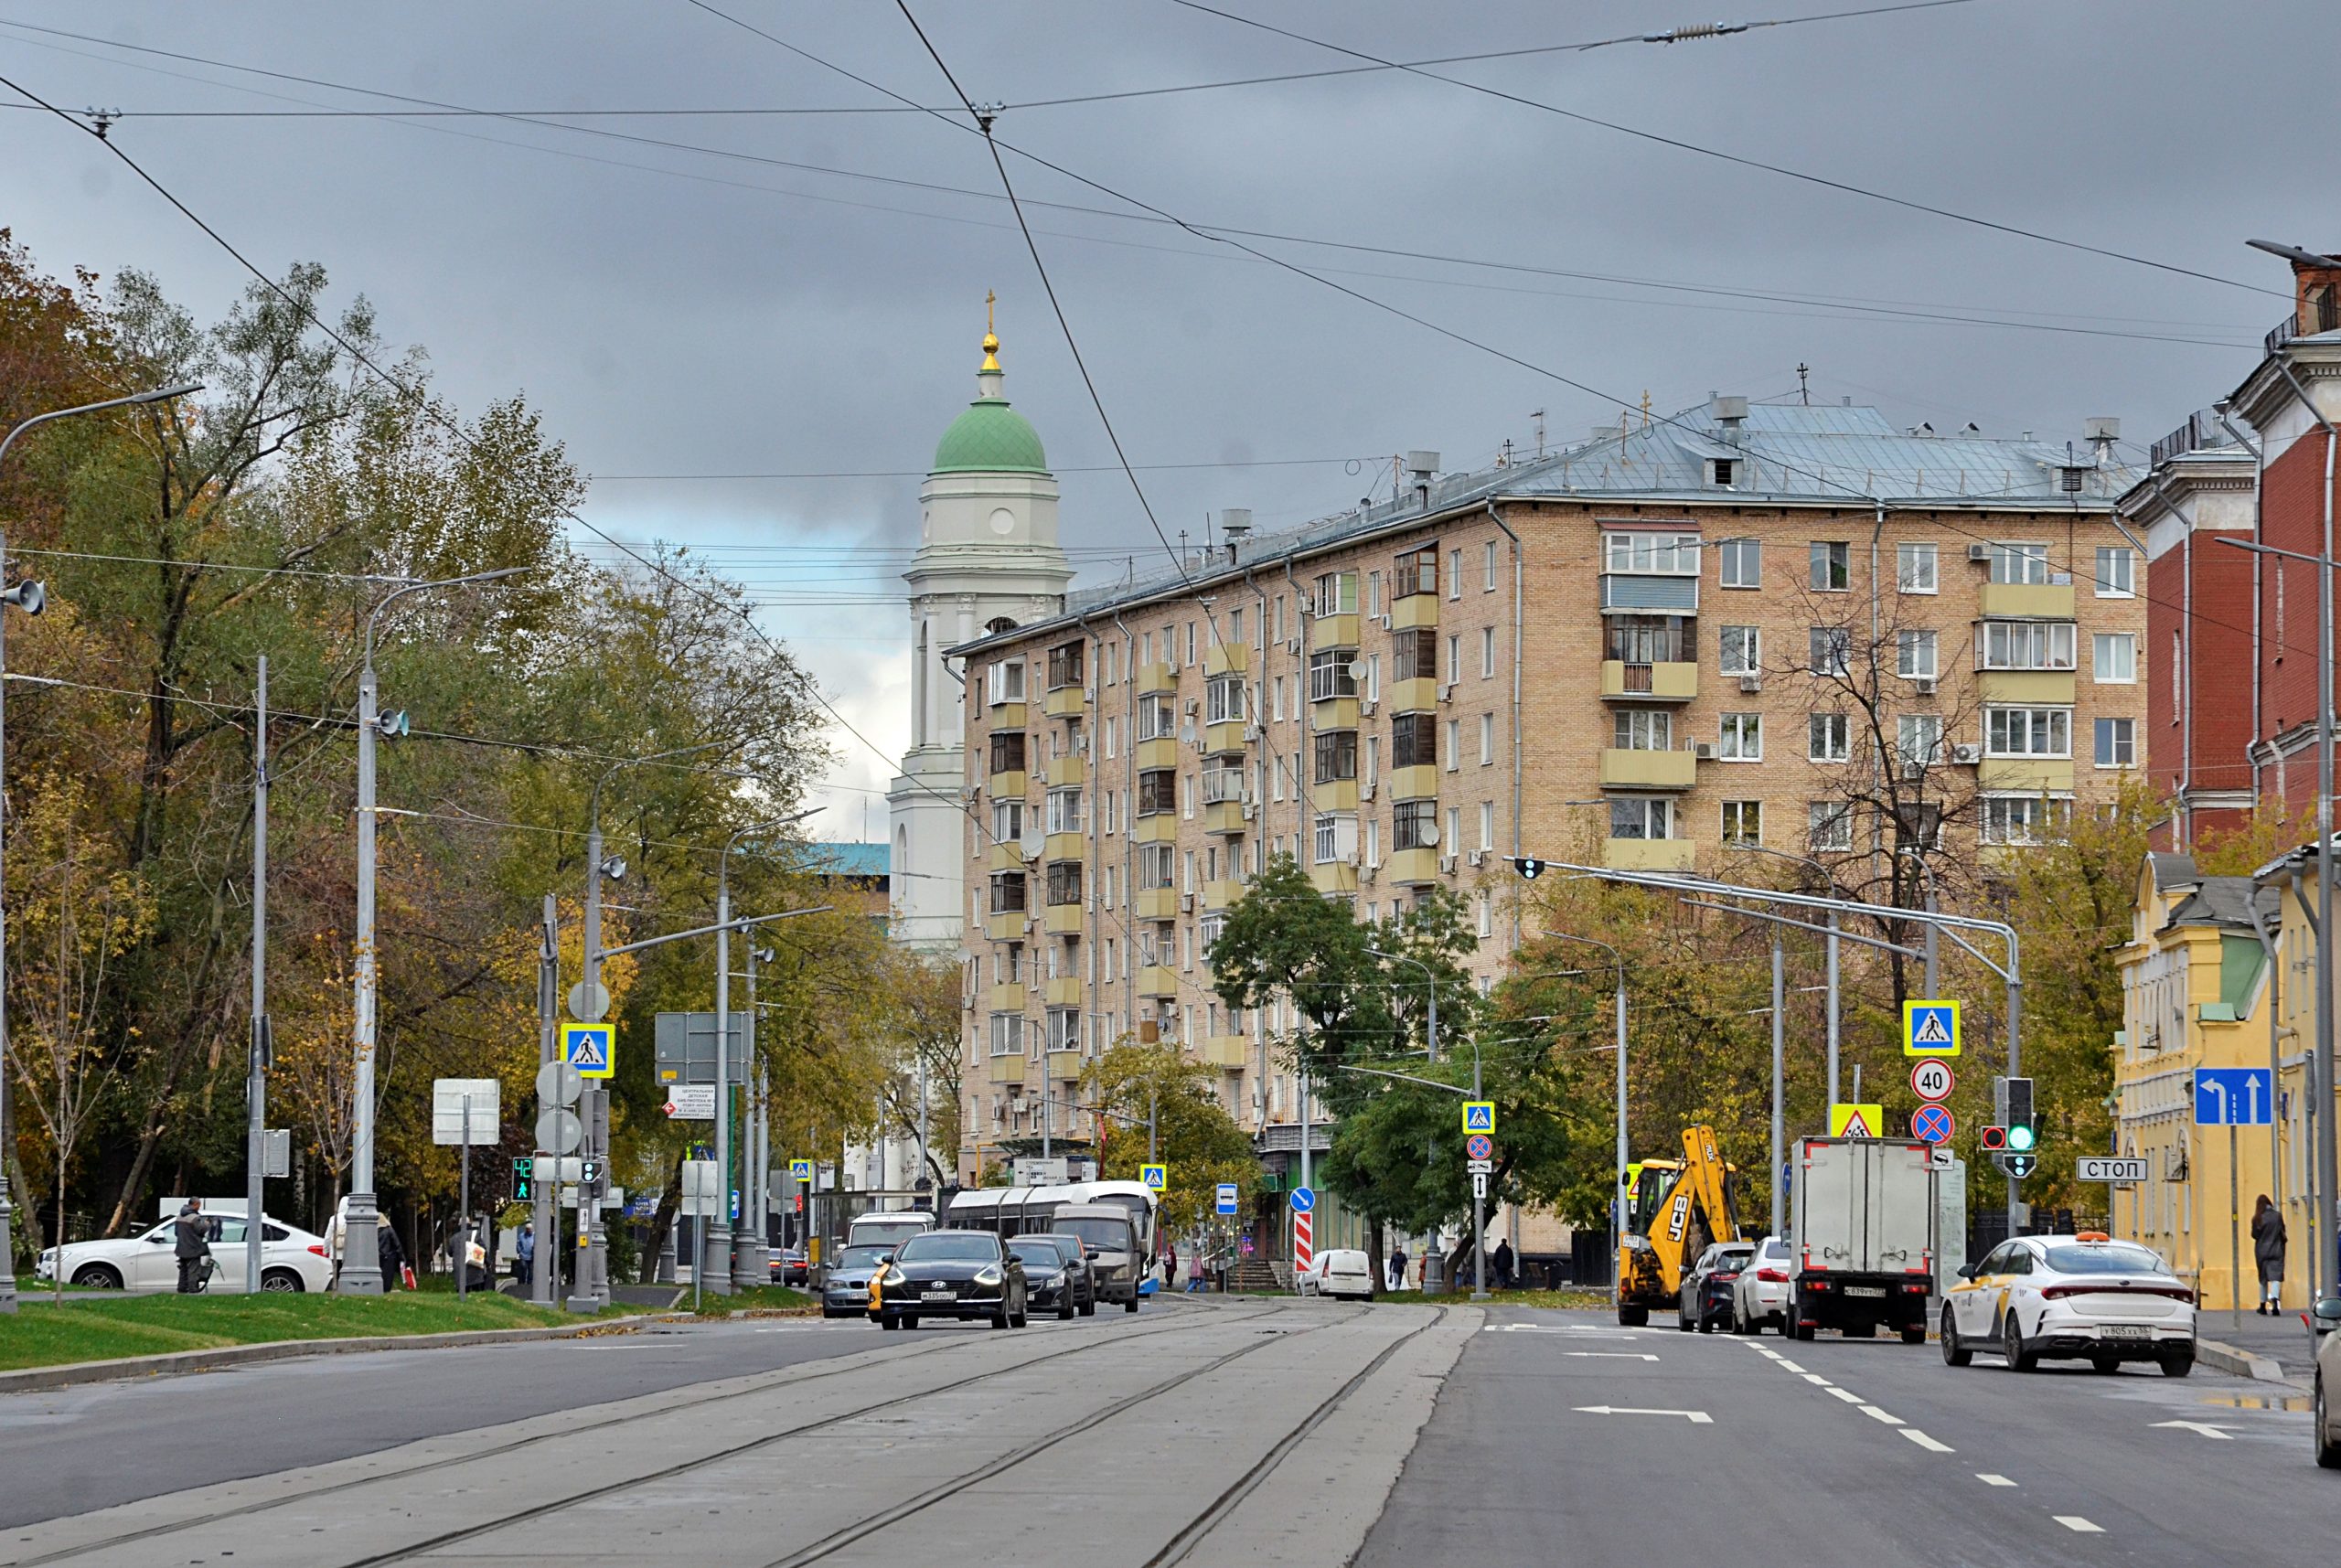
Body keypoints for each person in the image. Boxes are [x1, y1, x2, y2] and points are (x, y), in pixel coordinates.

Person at [2251, 1194, 2287, 1315]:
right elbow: (2282, 1229)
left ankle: (2262, 1305)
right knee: (2275, 1278)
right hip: (2276, 1250)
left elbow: (2254, 1235)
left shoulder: (2257, 1218)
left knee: (2263, 1278)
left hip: (2262, 1251)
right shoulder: (2277, 1216)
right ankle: (2275, 1301)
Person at [173, 1200, 211, 1293]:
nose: (199, 1207)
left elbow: (176, 1233)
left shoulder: (179, 1216)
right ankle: (193, 1290)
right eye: (199, 1205)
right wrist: (206, 1224)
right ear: (196, 1204)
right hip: (193, 1249)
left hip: (181, 1248)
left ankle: (182, 1288)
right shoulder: (194, 1218)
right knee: (193, 1271)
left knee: (183, 1270)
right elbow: (201, 1230)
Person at [378, 1216, 408, 1291]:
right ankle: (386, 1289)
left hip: (377, 1256)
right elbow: (396, 1244)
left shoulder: (371, 1230)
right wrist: (401, 1257)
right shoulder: (389, 1229)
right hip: (388, 1256)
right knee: (387, 1276)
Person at [516, 1220, 537, 1290]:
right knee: (523, 1268)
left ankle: (529, 1284)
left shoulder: (535, 1236)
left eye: (530, 1229)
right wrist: (520, 1252)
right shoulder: (521, 1236)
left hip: (532, 1256)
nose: (528, 1230)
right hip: (524, 1255)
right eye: (527, 1229)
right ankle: (522, 1282)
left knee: (531, 1271)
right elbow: (518, 1244)